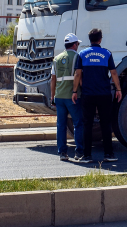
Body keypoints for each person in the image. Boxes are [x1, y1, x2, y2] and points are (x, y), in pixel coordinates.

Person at [72, 28, 122, 163]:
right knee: (106, 124)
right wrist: (118, 89)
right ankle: (108, 154)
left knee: (87, 124)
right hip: (104, 94)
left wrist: (75, 91)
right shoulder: (106, 53)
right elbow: (114, 73)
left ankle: (87, 156)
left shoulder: (82, 54)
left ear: (90, 39)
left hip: (88, 94)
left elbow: (77, 74)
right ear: (100, 39)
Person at [51, 33, 84, 161]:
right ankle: (79, 152)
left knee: (61, 125)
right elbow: (79, 76)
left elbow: (53, 79)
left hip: (59, 96)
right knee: (78, 124)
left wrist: (52, 96)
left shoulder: (57, 58)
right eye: (78, 44)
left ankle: (62, 153)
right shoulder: (78, 57)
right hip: (73, 96)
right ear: (75, 44)